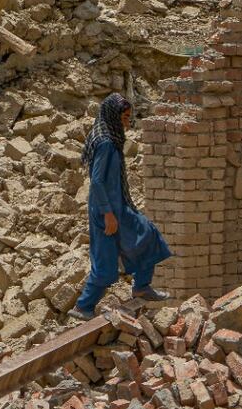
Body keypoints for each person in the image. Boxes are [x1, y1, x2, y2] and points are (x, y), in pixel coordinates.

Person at [69, 94, 173, 320]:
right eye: (124, 117)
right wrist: (108, 214)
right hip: (106, 211)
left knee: (149, 234)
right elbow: (96, 181)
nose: (127, 123)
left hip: (117, 207)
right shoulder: (106, 143)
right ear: (113, 117)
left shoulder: (108, 136)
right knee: (105, 264)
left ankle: (142, 286)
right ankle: (83, 307)